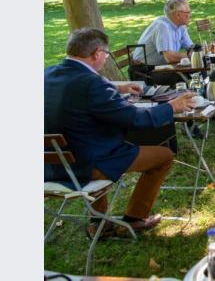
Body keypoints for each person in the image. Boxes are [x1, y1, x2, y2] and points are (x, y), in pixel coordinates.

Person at [45, 28, 196, 238]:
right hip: (86, 165)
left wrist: (118, 89)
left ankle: (99, 223)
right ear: (97, 53)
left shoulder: (47, 74)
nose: (106, 59)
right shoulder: (92, 84)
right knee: (164, 156)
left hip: (49, 166)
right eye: (106, 55)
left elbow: (76, 95)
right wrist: (171, 107)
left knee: (100, 146)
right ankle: (135, 219)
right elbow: (134, 119)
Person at [132, 0, 194, 67]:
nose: (190, 15)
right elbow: (170, 58)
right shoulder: (162, 26)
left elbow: (190, 47)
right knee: (190, 73)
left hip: (162, 67)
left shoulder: (181, 26)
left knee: (197, 68)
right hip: (144, 69)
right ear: (178, 15)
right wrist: (193, 54)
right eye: (188, 12)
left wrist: (201, 49)